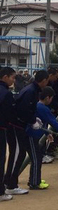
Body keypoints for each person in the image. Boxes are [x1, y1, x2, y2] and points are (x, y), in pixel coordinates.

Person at [4, 70, 50, 195]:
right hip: (15, 125)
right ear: (44, 80)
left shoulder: (31, 89)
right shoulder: (30, 91)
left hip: (18, 125)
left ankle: (9, 182)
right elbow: (23, 110)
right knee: (17, 154)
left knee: (19, 154)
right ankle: (10, 185)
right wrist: (32, 121)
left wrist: (33, 120)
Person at [26, 86, 58, 189]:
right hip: (32, 136)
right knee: (36, 159)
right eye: (51, 98)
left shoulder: (40, 107)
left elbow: (42, 124)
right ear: (47, 98)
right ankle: (34, 183)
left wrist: (47, 134)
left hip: (38, 135)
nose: (51, 101)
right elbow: (53, 122)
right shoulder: (42, 108)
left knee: (38, 157)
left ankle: (35, 179)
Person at [1, 66, 17, 202]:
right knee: (1, 160)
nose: (14, 80)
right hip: (1, 129)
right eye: (12, 77)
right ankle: (1, 192)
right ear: (5, 77)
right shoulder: (6, 94)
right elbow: (10, 114)